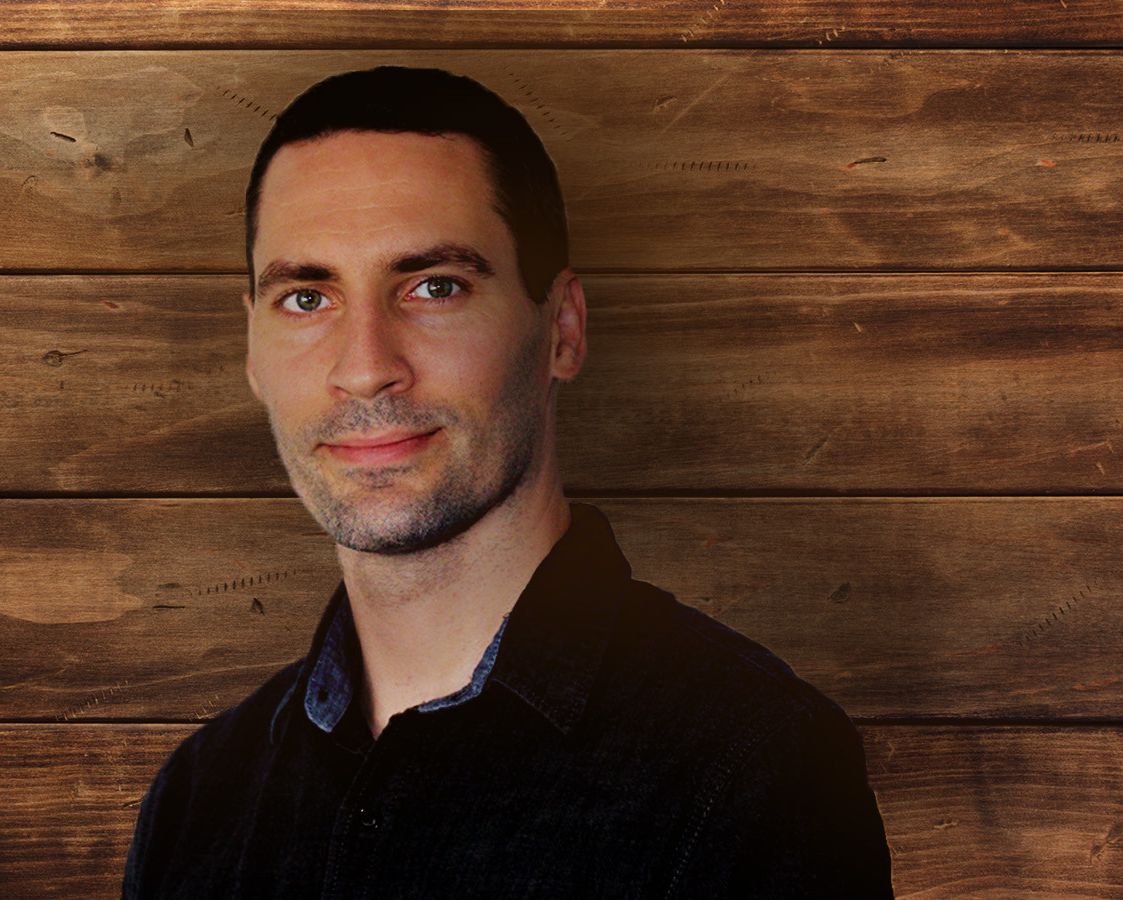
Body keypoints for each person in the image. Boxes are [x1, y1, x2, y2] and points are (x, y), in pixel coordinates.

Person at [123, 65, 893, 898]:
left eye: (434, 287)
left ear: (561, 329)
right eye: (307, 298)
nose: (365, 368)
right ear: (251, 352)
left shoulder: (756, 766)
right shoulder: (199, 800)